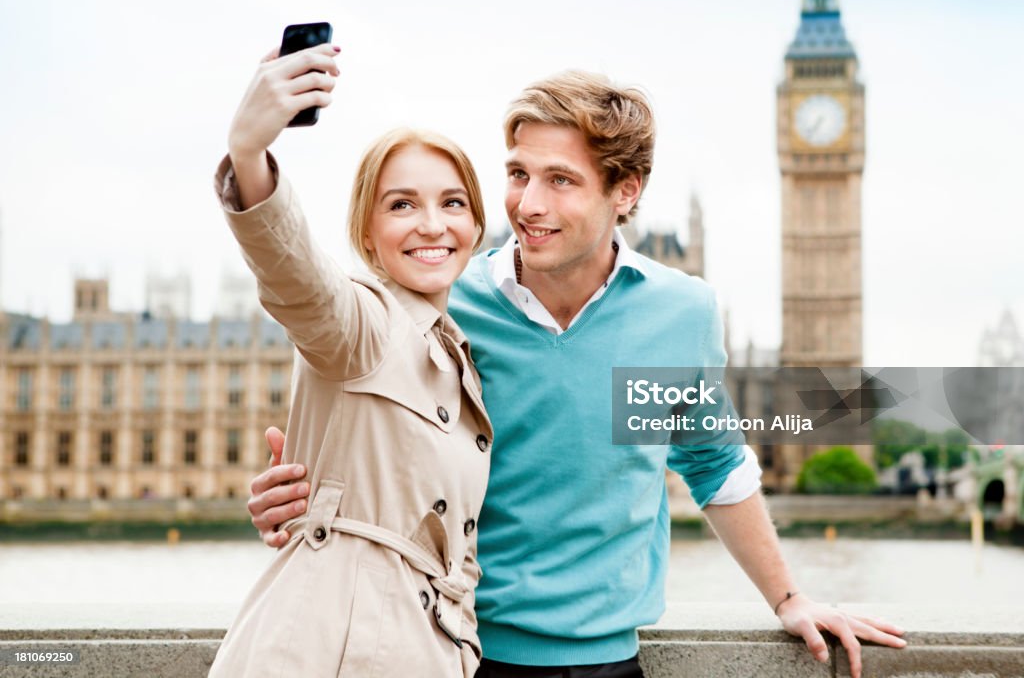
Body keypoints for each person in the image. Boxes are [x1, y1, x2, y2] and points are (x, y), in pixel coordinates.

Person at [247, 70, 907, 678]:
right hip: (458, 650)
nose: (528, 204)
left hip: (610, 664)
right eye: (517, 173)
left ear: (626, 192)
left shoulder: (680, 313)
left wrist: (789, 597)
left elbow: (714, 463)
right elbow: (342, 354)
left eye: (560, 180)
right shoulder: (449, 301)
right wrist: (313, 498)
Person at [209, 41, 492, 677]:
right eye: (401, 204)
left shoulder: (456, 357)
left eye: (452, 203)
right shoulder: (362, 322)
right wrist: (250, 154)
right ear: (365, 233)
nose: (431, 224)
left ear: (476, 227)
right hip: (326, 652)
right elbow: (298, 279)